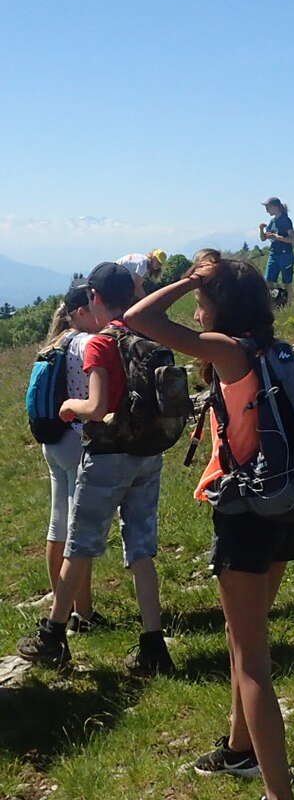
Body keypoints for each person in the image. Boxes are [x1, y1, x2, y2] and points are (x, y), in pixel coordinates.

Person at [124, 251, 294, 800]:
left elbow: (138, 320)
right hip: (284, 506)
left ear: (221, 305)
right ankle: (239, 750)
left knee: (253, 662)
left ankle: (278, 792)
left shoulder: (229, 351)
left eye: (203, 303)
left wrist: (185, 279)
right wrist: (207, 283)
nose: (197, 312)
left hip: (245, 514)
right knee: (242, 634)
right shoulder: (275, 349)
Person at [17, 262, 174, 675]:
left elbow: (97, 407)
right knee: (141, 550)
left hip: (107, 456)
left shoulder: (101, 343)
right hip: (148, 452)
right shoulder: (148, 334)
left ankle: (53, 635)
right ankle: (154, 645)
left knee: (80, 545)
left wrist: (69, 408)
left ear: (96, 299)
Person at [39, 282, 105, 633]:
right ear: (81, 312)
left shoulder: (55, 342)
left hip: (53, 442)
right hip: (78, 440)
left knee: (59, 526)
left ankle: (62, 605)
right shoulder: (85, 342)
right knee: (78, 534)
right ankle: (82, 613)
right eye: (95, 306)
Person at [259, 198, 294, 304]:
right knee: (269, 281)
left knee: (287, 282)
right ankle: (276, 302)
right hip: (274, 254)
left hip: (285, 254)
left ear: (275, 207)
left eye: (267, 207)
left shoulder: (285, 220)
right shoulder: (272, 221)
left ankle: (289, 304)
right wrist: (261, 230)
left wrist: (277, 237)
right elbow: (263, 238)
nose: (266, 210)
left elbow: (293, 239)